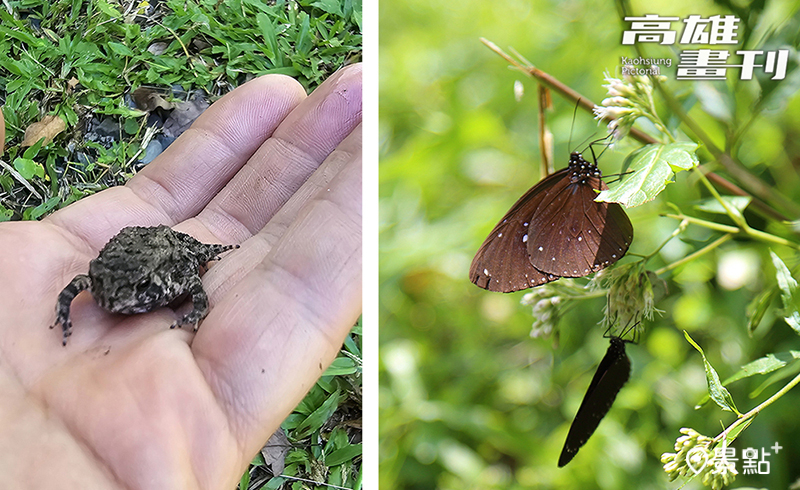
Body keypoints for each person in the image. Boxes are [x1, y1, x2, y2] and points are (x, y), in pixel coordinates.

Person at [0, 64, 362, 489]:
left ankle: (206, 249)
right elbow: (76, 286)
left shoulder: (163, 280)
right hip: (132, 248)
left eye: (126, 294)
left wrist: (193, 314)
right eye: (100, 285)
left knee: (204, 255)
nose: (109, 299)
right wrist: (63, 315)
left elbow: (193, 284)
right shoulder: (99, 285)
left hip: (163, 251)